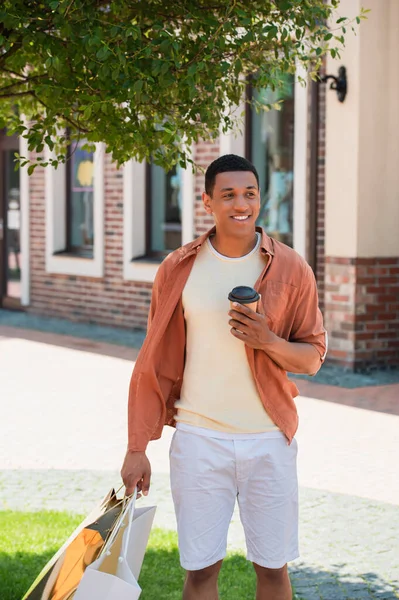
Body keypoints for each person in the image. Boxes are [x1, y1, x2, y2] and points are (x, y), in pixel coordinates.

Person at [121, 154, 327, 600]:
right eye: (229, 194)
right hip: (199, 439)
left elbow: (312, 357)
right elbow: (153, 362)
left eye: (250, 193)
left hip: (269, 438)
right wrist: (137, 448)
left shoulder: (291, 268)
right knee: (200, 572)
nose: (241, 204)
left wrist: (266, 340)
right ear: (207, 201)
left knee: (273, 570)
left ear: (259, 198)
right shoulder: (178, 268)